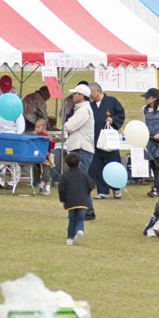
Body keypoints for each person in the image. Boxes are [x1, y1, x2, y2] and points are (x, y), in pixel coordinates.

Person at [64, 84, 96, 218]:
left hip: (82, 148)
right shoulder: (80, 109)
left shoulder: (83, 110)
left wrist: (66, 124)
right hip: (80, 147)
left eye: (75, 93)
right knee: (79, 180)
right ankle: (85, 209)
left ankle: (88, 210)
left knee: (80, 180)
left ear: (81, 95)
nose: (73, 96)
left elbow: (69, 126)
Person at [89, 82, 126, 200]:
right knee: (96, 166)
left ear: (98, 91)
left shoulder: (112, 101)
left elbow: (121, 114)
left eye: (91, 92)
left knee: (114, 163)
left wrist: (113, 120)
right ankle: (102, 190)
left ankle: (116, 188)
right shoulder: (90, 106)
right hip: (95, 140)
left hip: (109, 139)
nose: (89, 94)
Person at [59, 151, 94, 246]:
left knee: (72, 219)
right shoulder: (84, 174)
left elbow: (61, 188)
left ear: (66, 164)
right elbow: (91, 185)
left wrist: (62, 200)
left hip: (70, 202)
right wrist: (86, 194)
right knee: (80, 218)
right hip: (82, 201)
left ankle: (70, 238)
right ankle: (80, 230)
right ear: (79, 163)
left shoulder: (65, 175)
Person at [33, 116, 55, 196]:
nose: (36, 129)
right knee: (36, 173)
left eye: (38, 127)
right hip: (36, 158)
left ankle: (47, 189)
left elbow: (52, 146)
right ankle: (40, 187)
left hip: (45, 158)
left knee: (46, 174)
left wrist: (51, 141)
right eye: (36, 127)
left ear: (44, 127)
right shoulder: (35, 136)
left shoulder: (46, 136)